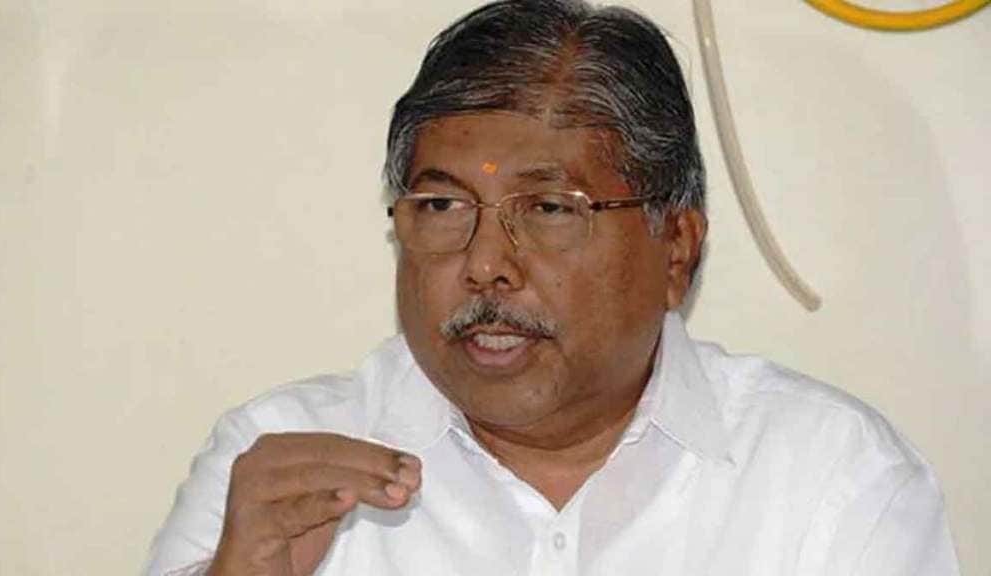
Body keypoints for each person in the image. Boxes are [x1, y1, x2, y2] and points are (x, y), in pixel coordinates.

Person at [145, 1, 959, 574]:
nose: (485, 264)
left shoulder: (832, 479)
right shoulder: (278, 471)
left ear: (677, 250)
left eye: (548, 209)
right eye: (442, 206)